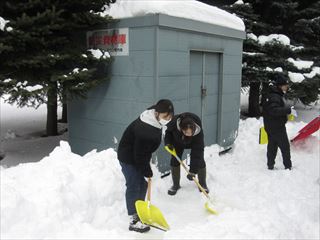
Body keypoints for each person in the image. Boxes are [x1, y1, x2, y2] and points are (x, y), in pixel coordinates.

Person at [117, 99, 174, 233]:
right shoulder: (145, 130)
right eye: (166, 117)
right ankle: (133, 219)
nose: (168, 119)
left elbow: (143, 151)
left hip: (137, 154)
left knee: (143, 185)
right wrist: (147, 171)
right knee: (134, 184)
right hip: (128, 157)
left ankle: (140, 209)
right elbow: (139, 155)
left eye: (170, 116)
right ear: (157, 113)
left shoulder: (154, 114)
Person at [164, 112, 209, 195]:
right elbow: (168, 132)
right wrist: (168, 143)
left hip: (193, 142)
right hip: (178, 141)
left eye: (190, 133)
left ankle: (202, 184)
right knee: (175, 160)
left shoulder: (198, 133)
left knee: (200, 160)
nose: (188, 134)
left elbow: (197, 152)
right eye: (186, 133)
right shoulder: (174, 122)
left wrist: (193, 171)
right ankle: (175, 185)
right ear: (181, 129)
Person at [261, 74, 294, 170]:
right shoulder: (275, 96)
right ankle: (288, 167)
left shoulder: (274, 94)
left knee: (272, 145)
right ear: (280, 85)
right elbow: (274, 110)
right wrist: (288, 110)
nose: (287, 87)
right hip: (277, 126)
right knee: (285, 147)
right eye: (285, 85)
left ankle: (270, 165)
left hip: (270, 125)